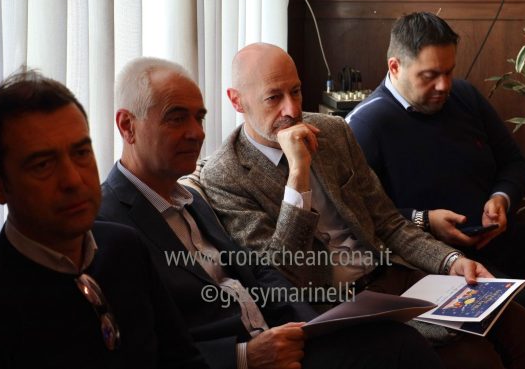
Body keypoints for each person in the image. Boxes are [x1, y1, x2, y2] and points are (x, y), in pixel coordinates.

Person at [200, 42, 525, 369]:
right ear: (237, 101)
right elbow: (281, 273)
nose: (292, 110)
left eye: (296, 91)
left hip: (390, 276)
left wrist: (450, 261)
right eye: (274, 97)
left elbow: (388, 222)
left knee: (521, 326)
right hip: (335, 306)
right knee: (475, 358)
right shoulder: (225, 174)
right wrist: (298, 174)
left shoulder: (333, 131)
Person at [98, 56, 445, 369]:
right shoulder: (108, 224)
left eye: (199, 117)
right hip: (252, 351)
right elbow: (139, 351)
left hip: (299, 325)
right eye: (176, 118)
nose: (196, 133)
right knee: (402, 346)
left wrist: (312, 329)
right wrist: (244, 356)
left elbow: (260, 274)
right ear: (127, 126)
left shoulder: (187, 199)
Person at [345, 11, 525, 363]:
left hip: (497, 237)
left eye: (449, 71)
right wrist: (425, 220)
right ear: (395, 67)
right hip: (433, 260)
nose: (444, 85)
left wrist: (500, 198)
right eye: (430, 75)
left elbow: (515, 163)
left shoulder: (464, 96)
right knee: (516, 308)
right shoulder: (364, 125)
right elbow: (359, 218)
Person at [0, 70, 207, 369]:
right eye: (43, 165)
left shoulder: (125, 249)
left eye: (81, 153)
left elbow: (183, 360)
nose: (72, 180)